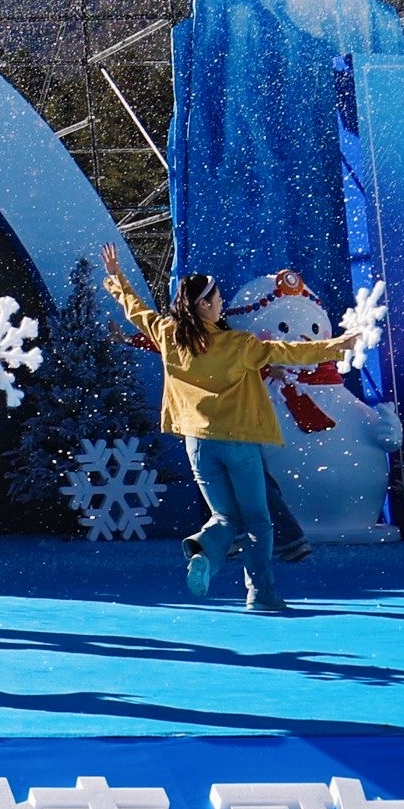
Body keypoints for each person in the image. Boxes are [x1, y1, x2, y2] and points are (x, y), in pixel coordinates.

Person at [101, 248, 288, 615]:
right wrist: (339, 347)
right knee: (256, 520)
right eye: (217, 299)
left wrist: (115, 277)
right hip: (238, 441)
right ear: (203, 305)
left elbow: (135, 310)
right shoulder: (236, 343)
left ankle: (205, 552)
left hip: (198, 444)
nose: (221, 304)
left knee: (224, 517)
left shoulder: (168, 334)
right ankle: (261, 593)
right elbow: (288, 352)